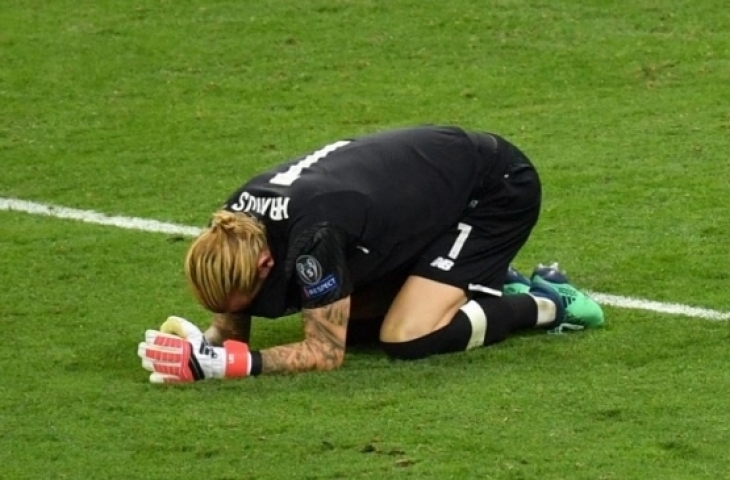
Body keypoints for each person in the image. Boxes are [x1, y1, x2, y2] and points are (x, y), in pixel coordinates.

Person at [137, 125, 604, 383]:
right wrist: (199, 345)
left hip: (493, 190)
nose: (236, 315)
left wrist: (233, 365)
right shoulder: (234, 231)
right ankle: (487, 280)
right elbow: (229, 325)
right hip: (420, 194)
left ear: (265, 265)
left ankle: (550, 303)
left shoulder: (313, 237)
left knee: (407, 338)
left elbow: (324, 352)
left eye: (243, 303)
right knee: (352, 320)